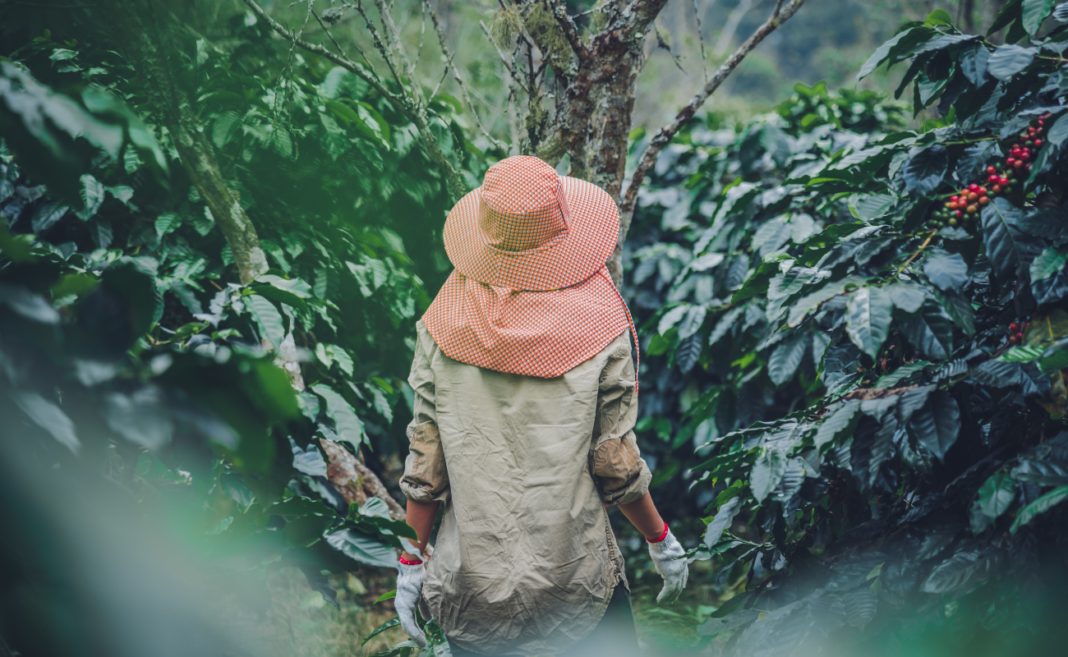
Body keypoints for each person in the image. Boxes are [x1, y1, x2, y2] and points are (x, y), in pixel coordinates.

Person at [393, 156, 688, 657]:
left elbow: (427, 458)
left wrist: (410, 562)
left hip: (472, 584)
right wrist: (660, 539)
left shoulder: (443, 319)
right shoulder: (601, 320)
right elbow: (614, 463)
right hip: (574, 580)